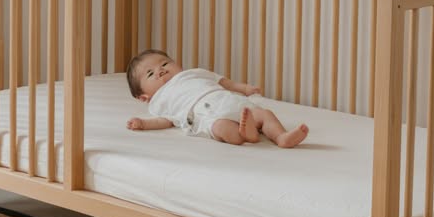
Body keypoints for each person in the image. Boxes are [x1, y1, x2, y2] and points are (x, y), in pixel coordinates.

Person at [125, 49, 309, 147]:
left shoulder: (194, 73)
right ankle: (245, 134)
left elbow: (223, 82)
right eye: (150, 74)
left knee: (265, 113)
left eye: (165, 63)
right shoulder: (160, 100)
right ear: (144, 97)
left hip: (229, 100)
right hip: (206, 115)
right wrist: (143, 123)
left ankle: (281, 136)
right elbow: (164, 121)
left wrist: (244, 88)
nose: (161, 70)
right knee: (222, 127)